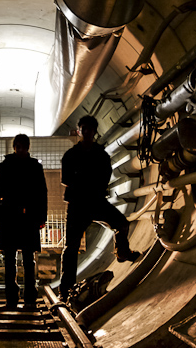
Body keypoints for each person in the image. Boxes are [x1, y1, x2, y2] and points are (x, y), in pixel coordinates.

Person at [59, 115, 141, 300]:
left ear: (94, 132)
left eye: (90, 129)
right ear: (80, 131)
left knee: (121, 224)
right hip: (78, 205)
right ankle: (66, 289)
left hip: (94, 202)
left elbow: (103, 177)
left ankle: (122, 252)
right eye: (84, 128)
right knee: (71, 248)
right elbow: (66, 179)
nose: (87, 132)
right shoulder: (72, 155)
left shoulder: (99, 155)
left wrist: (83, 183)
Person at [0, 134, 47, 308]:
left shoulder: (6, 166)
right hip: (24, 218)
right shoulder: (34, 167)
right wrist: (40, 217)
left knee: (16, 260)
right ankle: (25, 299)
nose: (21, 150)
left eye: (23, 147)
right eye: (19, 147)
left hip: (11, 218)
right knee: (22, 260)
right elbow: (41, 194)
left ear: (27, 147)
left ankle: (16, 299)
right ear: (15, 147)